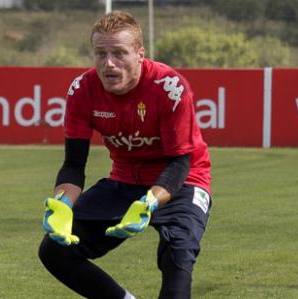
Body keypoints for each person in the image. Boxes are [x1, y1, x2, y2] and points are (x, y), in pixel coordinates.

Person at [38, 10, 212, 299]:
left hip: (183, 182)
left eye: (119, 53)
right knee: (54, 250)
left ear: (140, 54)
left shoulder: (170, 88)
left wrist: (148, 202)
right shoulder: (82, 90)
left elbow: (181, 161)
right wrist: (63, 204)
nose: (109, 64)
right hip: (125, 181)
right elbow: (73, 164)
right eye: (100, 53)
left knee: (177, 257)